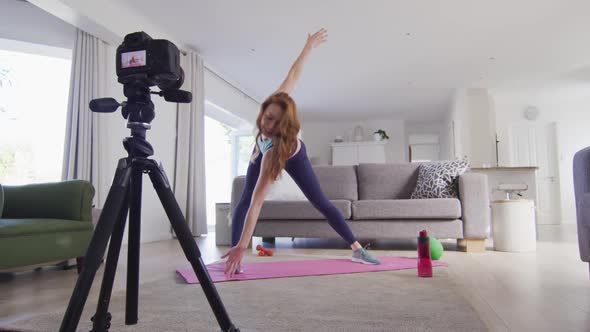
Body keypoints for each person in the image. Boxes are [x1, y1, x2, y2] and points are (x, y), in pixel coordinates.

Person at [222, 28, 381, 278]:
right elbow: (294, 73)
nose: (267, 123)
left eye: (275, 123)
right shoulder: (275, 103)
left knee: (321, 202)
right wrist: (308, 47)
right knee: (242, 200)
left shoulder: (274, 153)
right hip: (262, 150)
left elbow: (259, 203)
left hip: (292, 155)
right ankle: (234, 256)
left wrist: (245, 244)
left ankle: (357, 249)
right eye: (267, 116)